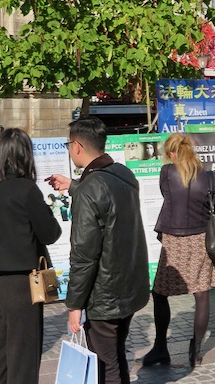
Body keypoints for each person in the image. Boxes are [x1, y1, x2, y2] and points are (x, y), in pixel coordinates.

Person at [46, 117, 149, 384]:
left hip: (105, 294)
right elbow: (107, 203)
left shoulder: (91, 188)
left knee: (106, 364)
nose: (69, 150)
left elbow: (83, 255)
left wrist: (74, 305)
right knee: (116, 354)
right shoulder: (123, 174)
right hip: (128, 285)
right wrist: (74, 186)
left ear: (77, 146)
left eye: (68, 145)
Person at [0, 128, 62, 384]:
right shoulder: (27, 190)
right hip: (23, 283)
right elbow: (50, 233)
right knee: (23, 356)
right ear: (26, 156)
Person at [143, 132, 215, 368]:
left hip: (174, 240)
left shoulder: (167, 173)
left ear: (171, 153)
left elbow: (167, 198)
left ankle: (160, 348)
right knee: (201, 295)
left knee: (160, 294)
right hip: (200, 239)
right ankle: (196, 350)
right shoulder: (209, 177)